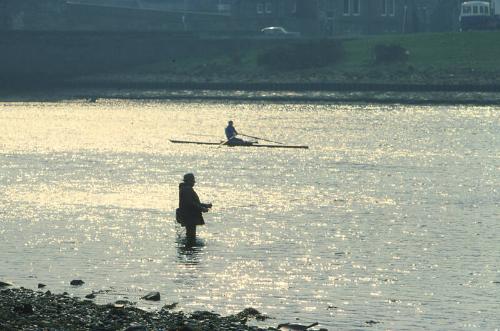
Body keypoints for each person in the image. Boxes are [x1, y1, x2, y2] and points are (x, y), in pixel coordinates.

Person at [177, 173, 212, 243]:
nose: (194, 182)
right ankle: (190, 250)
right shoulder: (187, 190)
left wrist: (205, 205)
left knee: (189, 234)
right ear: (189, 181)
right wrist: (202, 209)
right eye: (193, 180)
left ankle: (188, 249)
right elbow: (191, 204)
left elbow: (193, 202)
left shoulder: (185, 189)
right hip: (190, 217)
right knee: (191, 236)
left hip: (187, 216)